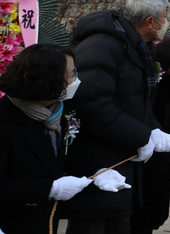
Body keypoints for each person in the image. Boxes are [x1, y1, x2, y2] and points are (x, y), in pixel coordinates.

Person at [63, 0, 170, 233]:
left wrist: (157, 132)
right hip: (100, 165)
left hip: (122, 160)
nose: (166, 23)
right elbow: (94, 106)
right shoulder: (101, 46)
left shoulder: (134, 45)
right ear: (150, 21)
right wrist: (144, 136)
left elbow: (137, 102)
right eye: (165, 17)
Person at [0, 44, 129, 234]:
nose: (75, 80)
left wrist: (98, 171)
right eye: (71, 74)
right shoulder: (6, 119)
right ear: (49, 80)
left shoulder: (57, 111)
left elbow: (68, 152)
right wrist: (49, 189)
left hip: (44, 221)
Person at [131, 37, 170, 234]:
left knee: (155, 208)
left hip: (164, 160)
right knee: (143, 210)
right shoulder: (156, 88)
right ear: (167, 66)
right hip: (149, 158)